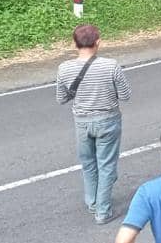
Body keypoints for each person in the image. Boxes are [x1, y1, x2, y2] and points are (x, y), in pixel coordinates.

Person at [56, 23, 131, 224]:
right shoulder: (111, 66)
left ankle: (92, 203)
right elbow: (125, 95)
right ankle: (103, 211)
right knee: (106, 165)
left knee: (89, 164)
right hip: (108, 120)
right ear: (98, 42)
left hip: (81, 122)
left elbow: (61, 98)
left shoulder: (64, 68)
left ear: (74, 44)